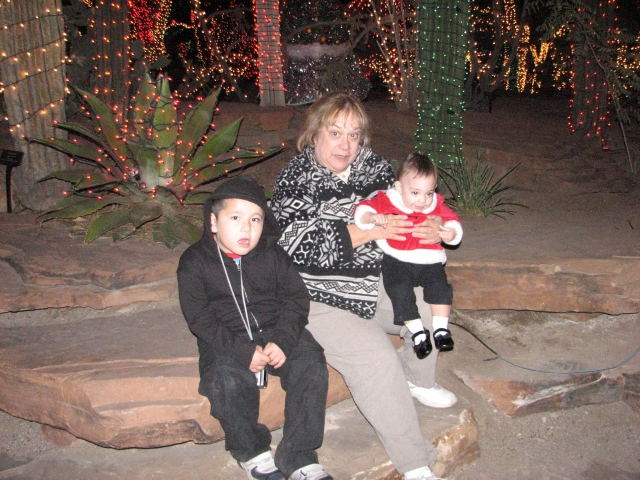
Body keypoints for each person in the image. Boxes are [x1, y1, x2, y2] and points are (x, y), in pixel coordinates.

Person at [270, 92, 457, 480]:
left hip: (378, 281)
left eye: (354, 135)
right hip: (320, 296)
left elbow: (419, 204)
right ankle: (415, 463)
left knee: (428, 307)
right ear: (315, 134)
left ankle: (417, 379)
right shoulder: (295, 177)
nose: (345, 144)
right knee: (377, 359)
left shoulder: (377, 170)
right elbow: (295, 245)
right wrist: (369, 231)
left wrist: (435, 227)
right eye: (335, 132)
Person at [177, 175, 332, 480]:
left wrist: (284, 340)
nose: (246, 228)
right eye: (235, 218)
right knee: (225, 380)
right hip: (227, 336)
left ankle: (298, 455)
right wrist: (242, 352)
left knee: (311, 364)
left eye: (255, 219)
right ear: (213, 222)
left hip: (276, 328)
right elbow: (199, 318)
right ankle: (252, 452)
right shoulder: (194, 262)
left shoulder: (273, 255)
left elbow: (296, 299)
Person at [353, 153, 463, 359]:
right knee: (399, 291)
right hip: (397, 259)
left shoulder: (436, 205)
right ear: (399, 187)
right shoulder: (388, 200)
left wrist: (452, 233)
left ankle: (441, 329)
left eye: (429, 193)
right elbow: (363, 208)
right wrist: (371, 217)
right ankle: (418, 332)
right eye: (415, 192)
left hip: (429, 260)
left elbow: (452, 220)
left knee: (440, 289)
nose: (422, 200)